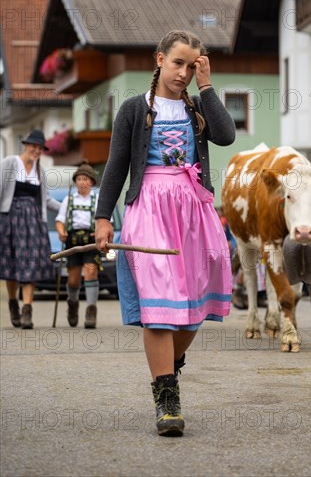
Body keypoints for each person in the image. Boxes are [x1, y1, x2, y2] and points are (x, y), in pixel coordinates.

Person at [95, 30, 235, 437]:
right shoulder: (133, 109)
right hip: (150, 208)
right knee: (160, 304)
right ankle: (167, 395)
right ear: (159, 59)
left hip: (193, 209)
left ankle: (167, 368)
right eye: (178, 63)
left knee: (192, 305)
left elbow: (225, 135)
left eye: (193, 66)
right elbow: (116, 165)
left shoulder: (197, 109)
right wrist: (104, 218)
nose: (184, 73)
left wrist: (208, 86)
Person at [0, 129, 61, 329]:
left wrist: (66, 209)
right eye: (33, 146)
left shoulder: (40, 171)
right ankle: (12, 303)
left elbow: (46, 199)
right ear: (26, 145)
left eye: (40, 148)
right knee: (12, 267)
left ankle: (27, 310)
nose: (36, 151)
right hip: (10, 220)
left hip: (33, 223)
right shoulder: (9, 163)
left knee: (30, 264)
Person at [55, 162, 101, 329]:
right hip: (73, 242)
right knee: (73, 280)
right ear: (76, 181)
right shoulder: (69, 198)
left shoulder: (97, 199)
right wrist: (61, 232)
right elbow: (59, 220)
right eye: (79, 179)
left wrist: (99, 232)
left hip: (90, 242)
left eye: (85, 179)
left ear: (91, 182)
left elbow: (105, 220)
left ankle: (91, 310)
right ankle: (73, 304)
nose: (82, 182)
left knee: (91, 272)